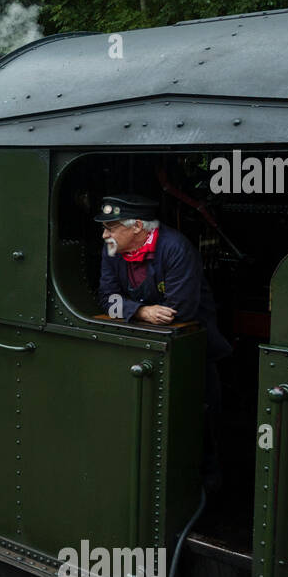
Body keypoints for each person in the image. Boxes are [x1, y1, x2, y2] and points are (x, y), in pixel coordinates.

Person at [95, 194, 232, 492]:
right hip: (143, 346)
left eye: (111, 227)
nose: (105, 234)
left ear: (137, 227)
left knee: (200, 417)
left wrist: (127, 309)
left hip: (193, 351)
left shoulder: (176, 248)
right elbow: (106, 299)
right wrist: (141, 311)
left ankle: (207, 484)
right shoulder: (112, 249)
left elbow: (178, 311)